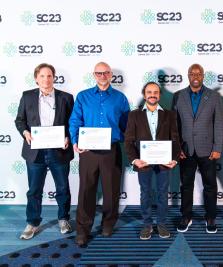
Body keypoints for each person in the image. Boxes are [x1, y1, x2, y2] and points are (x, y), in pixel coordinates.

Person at [69, 62, 130, 245]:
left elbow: (127, 125)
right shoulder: (83, 96)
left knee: (111, 191)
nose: (102, 76)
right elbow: (75, 121)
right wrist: (75, 141)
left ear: (111, 74)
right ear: (94, 75)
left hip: (111, 150)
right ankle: (82, 230)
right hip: (88, 152)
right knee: (86, 191)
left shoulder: (120, 98)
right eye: (98, 73)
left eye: (105, 73)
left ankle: (108, 224)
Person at [15, 63, 74, 239]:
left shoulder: (66, 98)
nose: (46, 79)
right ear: (36, 78)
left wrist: (69, 138)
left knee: (63, 187)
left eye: (49, 76)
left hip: (59, 150)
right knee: (34, 189)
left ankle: (63, 219)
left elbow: (73, 122)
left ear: (54, 78)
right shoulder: (27, 97)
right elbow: (20, 120)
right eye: (42, 76)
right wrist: (25, 132)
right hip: (35, 151)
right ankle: (32, 222)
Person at [124, 82, 180, 240]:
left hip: (164, 162)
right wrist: (135, 159)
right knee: (145, 193)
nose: (152, 94)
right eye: (149, 92)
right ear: (144, 94)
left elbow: (175, 139)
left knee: (163, 193)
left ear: (160, 95)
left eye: (156, 92)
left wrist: (174, 159)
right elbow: (128, 141)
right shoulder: (134, 115)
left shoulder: (170, 115)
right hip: (143, 162)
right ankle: (147, 225)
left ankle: (161, 224)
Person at [172, 63, 223, 233]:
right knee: (186, 185)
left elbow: (219, 123)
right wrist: (176, 147)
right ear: (188, 75)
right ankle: (186, 216)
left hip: (208, 149)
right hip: (185, 150)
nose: (195, 76)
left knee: (210, 185)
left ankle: (210, 217)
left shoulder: (214, 96)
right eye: (192, 73)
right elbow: (175, 124)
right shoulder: (178, 96)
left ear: (203, 76)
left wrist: (217, 147)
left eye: (199, 73)